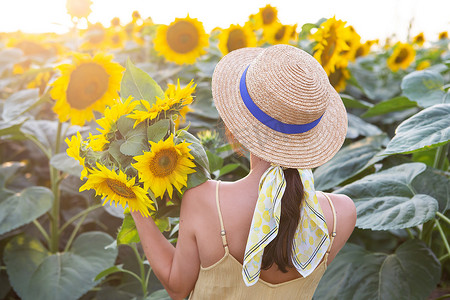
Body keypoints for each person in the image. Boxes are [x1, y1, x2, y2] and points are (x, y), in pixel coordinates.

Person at [131, 44, 357, 299]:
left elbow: (177, 287)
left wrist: (136, 204)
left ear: (235, 128)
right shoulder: (342, 214)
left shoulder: (205, 201)